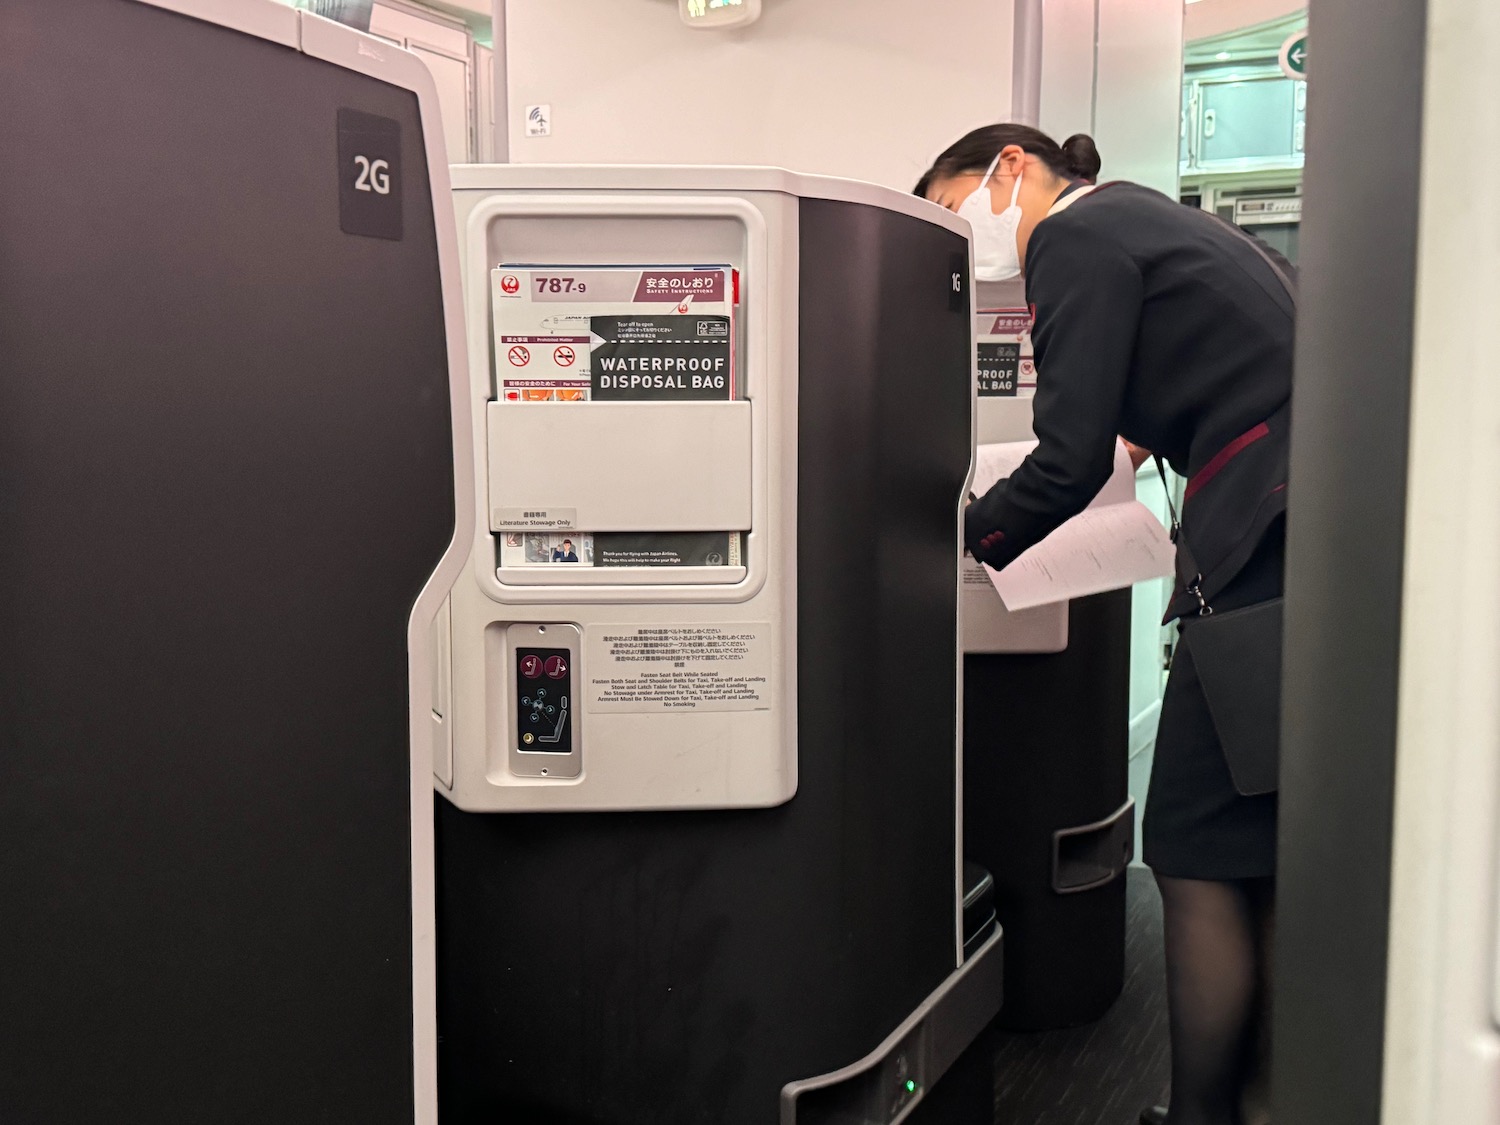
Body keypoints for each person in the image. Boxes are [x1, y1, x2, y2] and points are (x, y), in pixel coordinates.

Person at [920, 124, 1292, 1125]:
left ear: (1012, 170)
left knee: (1191, 843)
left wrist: (964, 532)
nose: (966, 239)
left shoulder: (1072, 240)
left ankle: (1204, 1114)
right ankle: (1259, 1099)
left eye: (953, 212)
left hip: (1263, 536)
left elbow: (1068, 453)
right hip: (1300, 529)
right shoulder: (1146, 218)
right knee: (1256, 847)